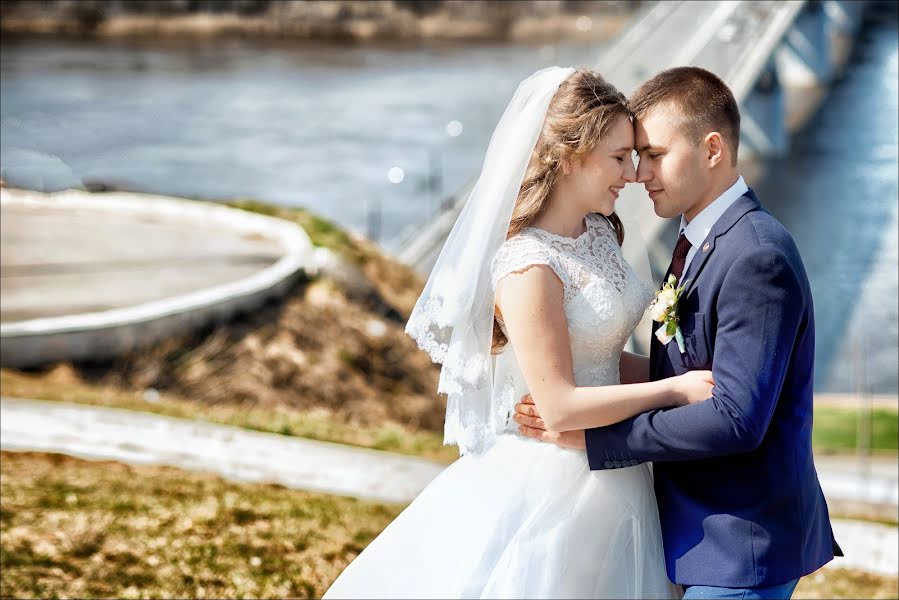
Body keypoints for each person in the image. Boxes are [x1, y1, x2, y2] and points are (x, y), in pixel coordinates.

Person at [324, 66, 713, 599]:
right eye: (619, 157)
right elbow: (558, 406)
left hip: (618, 463)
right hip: (558, 479)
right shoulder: (527, 264)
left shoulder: (598, 232)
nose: (633, 173)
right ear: (572, 156)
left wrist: (694, 376)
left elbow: (599, 357)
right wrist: (673, 392)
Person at [515, 67, 842, 600]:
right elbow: (691, 370)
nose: (641, 173)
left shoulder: (755, 254)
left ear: (712, 149)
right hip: (693, 535)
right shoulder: (701, 237)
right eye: (634, 156)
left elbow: (736, 420)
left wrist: (596, 439)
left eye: (654, 154)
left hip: (740, 546)